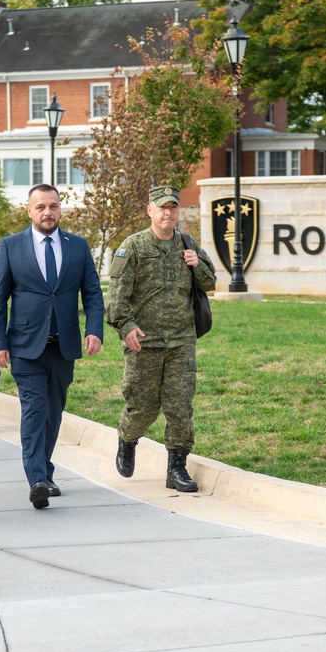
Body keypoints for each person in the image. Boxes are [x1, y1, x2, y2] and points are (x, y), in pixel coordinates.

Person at [0, 184, 104, 509]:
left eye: (52, 206)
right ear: (29, 210)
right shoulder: (10, 247)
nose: (47, 212)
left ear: (60, 209)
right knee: (35, 408)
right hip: (25, 346)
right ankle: (36, 479)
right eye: (40, 207)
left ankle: (46, 469)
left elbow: (93, 294)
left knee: (54, 412)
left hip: (63, 345)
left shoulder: (78, 247)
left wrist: (94, 330)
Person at [106, 185, 217, 492]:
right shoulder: (134, 246)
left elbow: (210, 283)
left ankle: (177, 467)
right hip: (145, 342)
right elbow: (116, 296)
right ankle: (127, 439)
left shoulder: (187, 243)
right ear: (150, 211)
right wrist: (125, 327)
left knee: (180, 406)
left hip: (182, 339)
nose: (168, 213)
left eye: (173, 207)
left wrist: (197, 264)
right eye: (162, 207)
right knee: (143, 406)